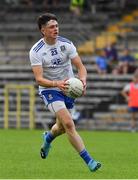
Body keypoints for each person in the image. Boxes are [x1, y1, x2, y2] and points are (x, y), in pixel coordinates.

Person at [29, 13, 101, 172]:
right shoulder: (36, 51)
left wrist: (82, 81)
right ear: (43, 30)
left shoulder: (66, 44)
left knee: (60, 128)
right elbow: (39, 79)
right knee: (69, 123)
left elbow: (81, 67)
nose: (56, 29)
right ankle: (90, 161)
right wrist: (56, 84)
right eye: (51, 27)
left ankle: (47, 139)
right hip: (50, 89)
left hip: (68, 89)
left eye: (56, 26)